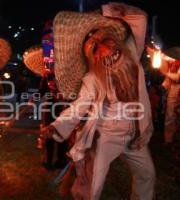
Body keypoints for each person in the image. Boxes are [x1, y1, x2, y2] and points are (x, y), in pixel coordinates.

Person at [41, 3, 155, 200]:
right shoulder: (93, 78)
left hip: (135, 132)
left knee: (147, 174)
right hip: (106, 136)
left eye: (106, 41)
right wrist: (55, 126)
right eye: (95, 48)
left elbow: (140, 18)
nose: (104, 49)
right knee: (91, 187)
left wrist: (109, 10)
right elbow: (78, 107)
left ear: (115, 40)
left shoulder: (130, 54)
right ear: (92, 57)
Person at [23, 46, 69, 170]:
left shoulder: (68, 72)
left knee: (62, 132)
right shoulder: (48, 73)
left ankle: (61, 160)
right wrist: (35, 98)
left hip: (63, 106)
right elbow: (42, 89)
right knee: (47, 133)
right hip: (49, 106)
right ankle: (48, 160)